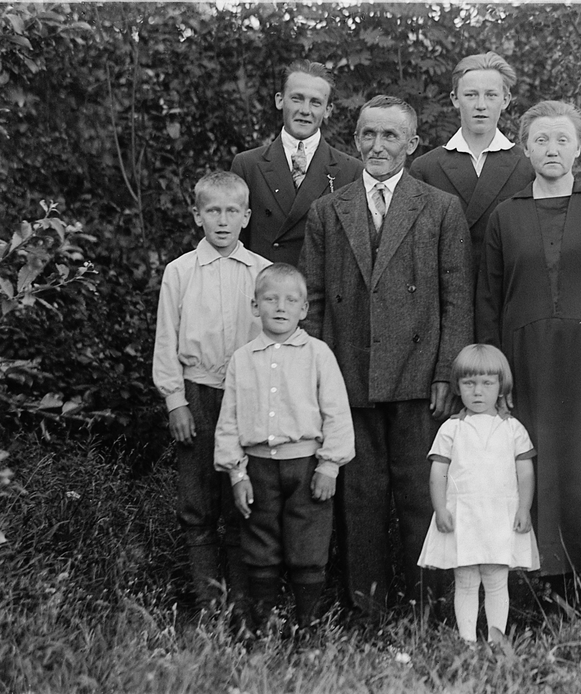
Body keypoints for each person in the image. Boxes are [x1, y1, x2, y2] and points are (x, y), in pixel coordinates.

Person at [300, 94, 473, 614]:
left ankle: (433, 610)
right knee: (361, 502)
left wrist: (447, 372)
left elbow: (456, 297)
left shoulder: (440, 207)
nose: (377, 145)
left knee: (423, 497)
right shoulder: (330, 211)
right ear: (355, 141)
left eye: (390, 136)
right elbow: (310, 300)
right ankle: (366, 610)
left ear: (412, 144)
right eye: (368, 135)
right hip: (350, 381)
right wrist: (321, 377)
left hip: (420, 380)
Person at [475, 100, 581, 589]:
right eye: (541, 140)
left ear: (579, 147)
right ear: (524, 149)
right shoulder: (505, 215)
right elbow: (489, 298)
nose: (552, 149)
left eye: (562, 139)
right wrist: (495, 372)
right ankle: (536, 578)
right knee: (531, 460)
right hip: (527, 362)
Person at [152, 170, 271, 612]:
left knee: (244, 504)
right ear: (197, 215)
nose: (222, 221)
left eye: (231, 211)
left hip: (247, 399)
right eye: (213, 211)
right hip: (198, 394)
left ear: (246, 216)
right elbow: (167, 339)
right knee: (198, 506)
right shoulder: (180, 271)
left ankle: (241, 609)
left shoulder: (261, 271)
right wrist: (174, 401)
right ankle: (208, 606)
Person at [214, 263, 354, 632]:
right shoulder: (243, 359)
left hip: (307, 467)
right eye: (270, 298)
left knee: (308, 546)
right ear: (255, 306)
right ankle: (264, 626)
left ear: (304, 309)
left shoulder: (318, 354)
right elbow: (229, 419)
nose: (280, 307)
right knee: (261, 547)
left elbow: (336, 413)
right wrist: (236, 473)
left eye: (291, 300)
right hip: (258, 469)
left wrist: (329, 466)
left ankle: (307, 626)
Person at [418, 344, 538, 644]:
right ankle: (467, 642)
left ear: (501, 387)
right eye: (469, 383)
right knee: (466, 580)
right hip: (464, 516)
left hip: (500, 516)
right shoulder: (451, 429)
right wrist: (440, 509)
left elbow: (525, 472)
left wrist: (524, 509)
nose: (478, 392)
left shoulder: (512, 429)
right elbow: (438, 473)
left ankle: (497, 640)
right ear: (458, 386)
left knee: (497, 580)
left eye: (487, 383)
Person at [410, 52, 534, 278]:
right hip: (447, 296)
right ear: (455, 99)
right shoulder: (427, 167)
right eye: (471, 95)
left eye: (491, 95)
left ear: (505, 100)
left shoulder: (527, 166)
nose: (481, 105)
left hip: (506, 294)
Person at [231, 60, 363, 266]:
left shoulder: (351, 170)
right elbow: (236, 246)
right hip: (267, 289)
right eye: (297, 99)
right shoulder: (247, 166)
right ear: (280, 100)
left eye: (316, 103)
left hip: (320, 293)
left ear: (328, 110)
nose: (305, 110)